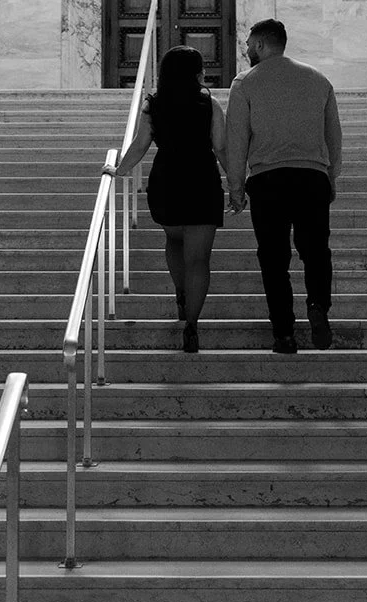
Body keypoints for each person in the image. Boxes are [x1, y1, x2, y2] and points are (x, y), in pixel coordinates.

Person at [226, 18, 342, 354]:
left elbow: (237, 140)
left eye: (249, 43)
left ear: (261, 45)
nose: (247, 49)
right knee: (316, 251)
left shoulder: (244, 83)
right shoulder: (319, 80)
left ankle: (284, 334)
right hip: (311, 176)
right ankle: (318, 307)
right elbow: (333, 134)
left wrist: (236, 188)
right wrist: (330, 176)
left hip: (267, 179)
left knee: (273, 259)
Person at [111, 45, 227, 353]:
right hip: (202, 179)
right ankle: (192, 324)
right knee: (200, 259)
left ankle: (180, 293)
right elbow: (221, 147)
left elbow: (140, 145)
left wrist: (118, 170)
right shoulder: (210, 104)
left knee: (174, 240)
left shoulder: (154, 105)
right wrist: (239, 185)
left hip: (168, 179)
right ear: (197, 72)